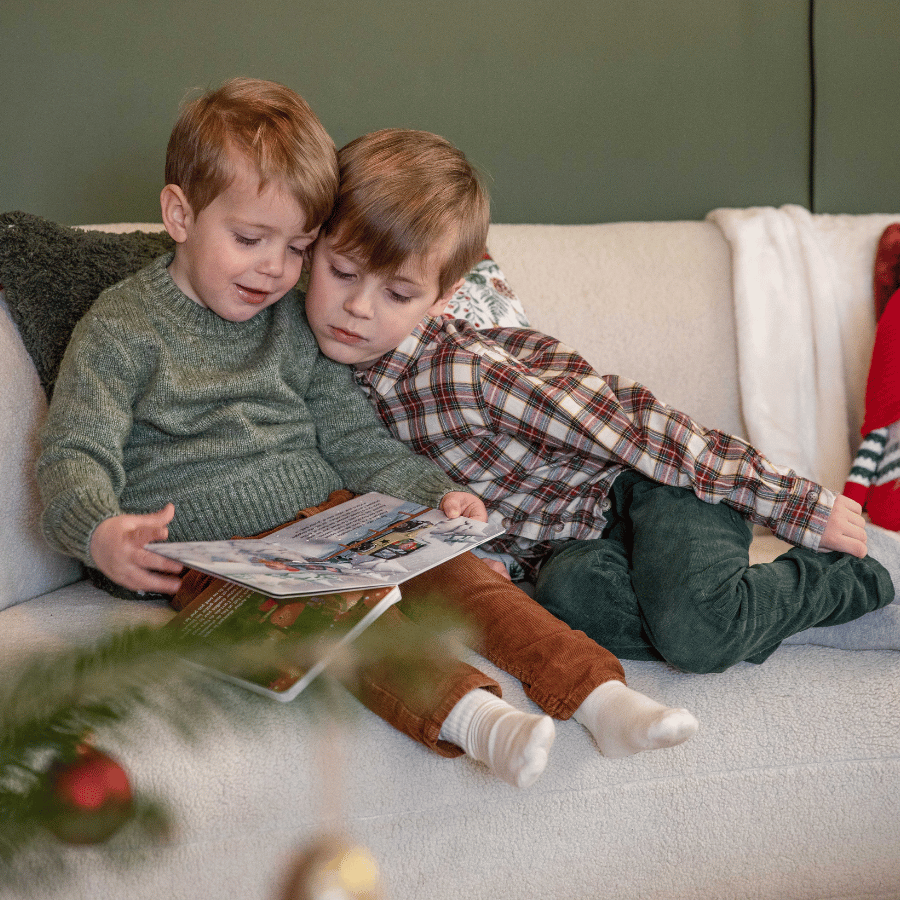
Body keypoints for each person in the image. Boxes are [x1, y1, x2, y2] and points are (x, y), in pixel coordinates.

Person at [37, 79, 697, 790]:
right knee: (342, 633)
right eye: (249, 239)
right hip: (216, 560)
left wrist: (436, 495)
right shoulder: (120, 329)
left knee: (465, 578)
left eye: (296, 248)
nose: (273, 269)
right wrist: (101, 531)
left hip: (332, 521)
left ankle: (600, 697)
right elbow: (75, 452)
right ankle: (480, 722)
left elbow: (353, 437)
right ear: (179, 214)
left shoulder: (289, 320)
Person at [303, 127, 899, 676]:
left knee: (696, 634)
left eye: (398, 292)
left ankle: (855, 581)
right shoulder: (326, 385)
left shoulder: (468, 372)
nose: (359, 307)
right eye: (343, 272)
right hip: (574, 547)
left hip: (650, 490)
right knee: (567, 599)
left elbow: (633, 426)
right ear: (312, 250)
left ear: (442, 298)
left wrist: (792, 503)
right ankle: (733, 616)